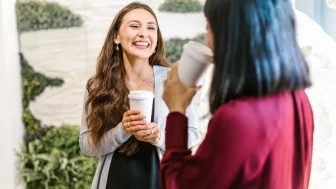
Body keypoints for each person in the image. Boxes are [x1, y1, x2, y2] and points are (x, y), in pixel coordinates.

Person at [160, 0, 314, 188]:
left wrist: (176, 111)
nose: (208, 40)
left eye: (210, 26)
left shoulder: (238, 118)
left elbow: (179, 184)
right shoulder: (298, 99)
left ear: (232, 34)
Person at [79, 2, 200, 189]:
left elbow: (192, 135)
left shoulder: (174, 80)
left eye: (151, 28)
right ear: (116, 37)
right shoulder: (98, 86)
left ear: (156, 39)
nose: (144, 33)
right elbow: (87, 145)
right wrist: (123, 130)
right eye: (135, 26)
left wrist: (158, 136)